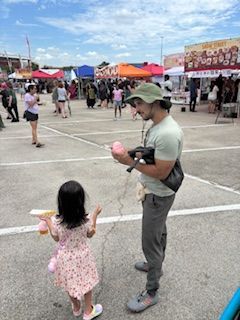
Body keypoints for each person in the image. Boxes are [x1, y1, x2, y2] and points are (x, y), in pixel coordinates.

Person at [112, 83, 183, 313]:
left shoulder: (168, 133)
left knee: (149, 242)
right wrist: (135, 152)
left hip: (158, 195)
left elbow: (162, 173)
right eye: (135, 103)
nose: (136, 108)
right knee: (159, 231)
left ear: (154, 102)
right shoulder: (157, 125)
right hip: (154, 194)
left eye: (139, 103)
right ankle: (156, 265)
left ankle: (151, 291)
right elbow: (152, 153)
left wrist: (128, 162)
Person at [42, 180, 103, 319]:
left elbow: (56, 237)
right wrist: (95, 215)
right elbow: (90, 233)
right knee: (87, 283)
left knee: (69, 284)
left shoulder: (58, 222)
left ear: (61, 203)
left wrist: (48, 222)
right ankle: (88, 311)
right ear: (81, 202)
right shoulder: (85, 220)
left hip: (65, 259)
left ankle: (76, 307)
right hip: (83, 257)